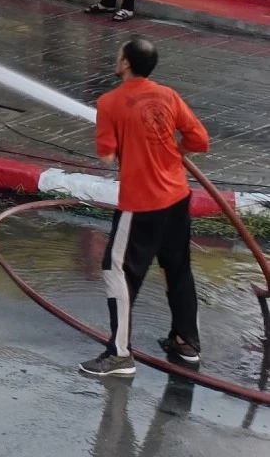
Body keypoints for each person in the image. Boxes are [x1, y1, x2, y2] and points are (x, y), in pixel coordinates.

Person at [80, 35, 209, 378]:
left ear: (125, 63)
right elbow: (199, 139)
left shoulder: (109, 102)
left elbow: (106, 158)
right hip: (177, 197)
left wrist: (120, 137)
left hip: (141, 203)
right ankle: (186, 343)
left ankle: (119, 355)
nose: (116, 58)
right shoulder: (169, 95)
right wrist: (173, 152)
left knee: (115, 270)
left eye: (118, 55)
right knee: (177, 267)